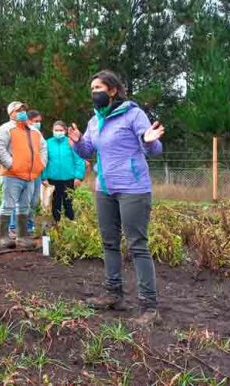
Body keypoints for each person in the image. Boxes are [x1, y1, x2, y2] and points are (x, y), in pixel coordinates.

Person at [69, 70, 164, 326]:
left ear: (112, 90)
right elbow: (88, 150)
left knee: (137, 245)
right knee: (109, 242)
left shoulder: (133, 114)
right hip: (105, 188)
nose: (94, 93)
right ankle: (114, 294)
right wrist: (77, 143)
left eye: (98, 87)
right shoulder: (94, 121)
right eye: (92, 89)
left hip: (133, 188)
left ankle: (149, 306)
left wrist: (150, 140)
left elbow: (152, 146)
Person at [0, 101, 46, 249]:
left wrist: (40, 165)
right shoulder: (5, 129)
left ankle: (22, 237)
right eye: (18, 110)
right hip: (11, 175)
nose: (22, 112)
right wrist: (12, 165)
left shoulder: (34, 131)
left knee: (25, 206)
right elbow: (0, 149)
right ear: (11, 113)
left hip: (30, 175)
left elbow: (43, 148)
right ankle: (3, 237)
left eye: (23, 110)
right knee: (8, 205)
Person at [42, 120, 86, 223]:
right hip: (52, 180)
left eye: (60, 130)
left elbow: (79, 160)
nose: (58, 132)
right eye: (56, 130)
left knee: (68, 203)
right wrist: (43, 177)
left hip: (69, 179)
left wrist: (78, 177)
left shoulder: (70, 142)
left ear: (65, 131)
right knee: (55, 203)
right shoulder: (47, 143)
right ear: (52, 130)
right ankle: (56, 225)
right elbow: (43, 161)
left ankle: (70, 223)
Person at [9, 110, 42, 235]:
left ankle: (29, 226)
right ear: (28, 121)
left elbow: (41, 153)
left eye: (39, 122)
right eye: (35, 121)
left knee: (33, 201)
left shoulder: (37, 134)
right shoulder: (18, 133)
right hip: (21, 172)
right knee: (17, 200)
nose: (38, 124)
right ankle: (13, 227)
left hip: (36, 172)